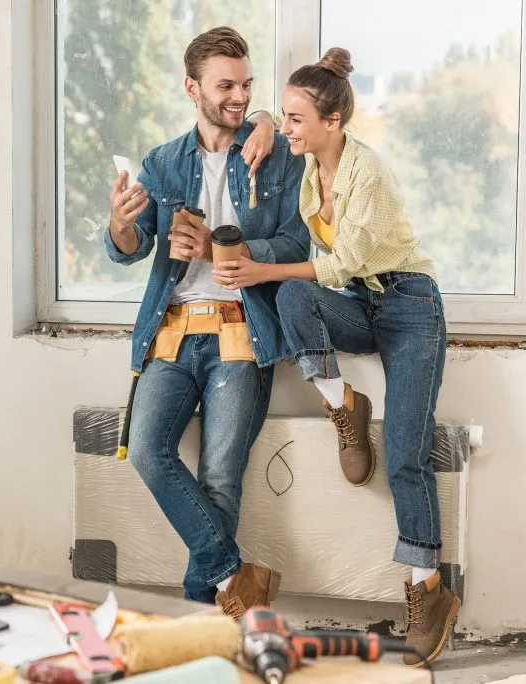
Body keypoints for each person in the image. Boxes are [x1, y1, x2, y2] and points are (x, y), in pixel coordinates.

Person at [212, 48, 458, 665]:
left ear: (333, 123)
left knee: (405, 452)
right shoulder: (306, 162)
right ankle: (342, 403)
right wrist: (267, 118)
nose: (287, 130)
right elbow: (265, 118)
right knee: (295, 296)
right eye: (287, 119)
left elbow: (340, 262)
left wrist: (258, 269)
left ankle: (427, 589)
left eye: (298, 120)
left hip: (409, 308)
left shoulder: (365, 175)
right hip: (359, 304)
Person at [106, 26, 309, 619]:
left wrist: (228, 249)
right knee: (147, 450)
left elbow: (298, 241)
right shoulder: (163, 162)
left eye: (247, 85)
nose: (239, 97)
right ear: (192, 87)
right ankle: (234, 574)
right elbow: (130, 245)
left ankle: (201, 615)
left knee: (221, 476)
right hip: (172, 330)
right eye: (226, 86)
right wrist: (121, 224)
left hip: (242, 331)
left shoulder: (273, 152)